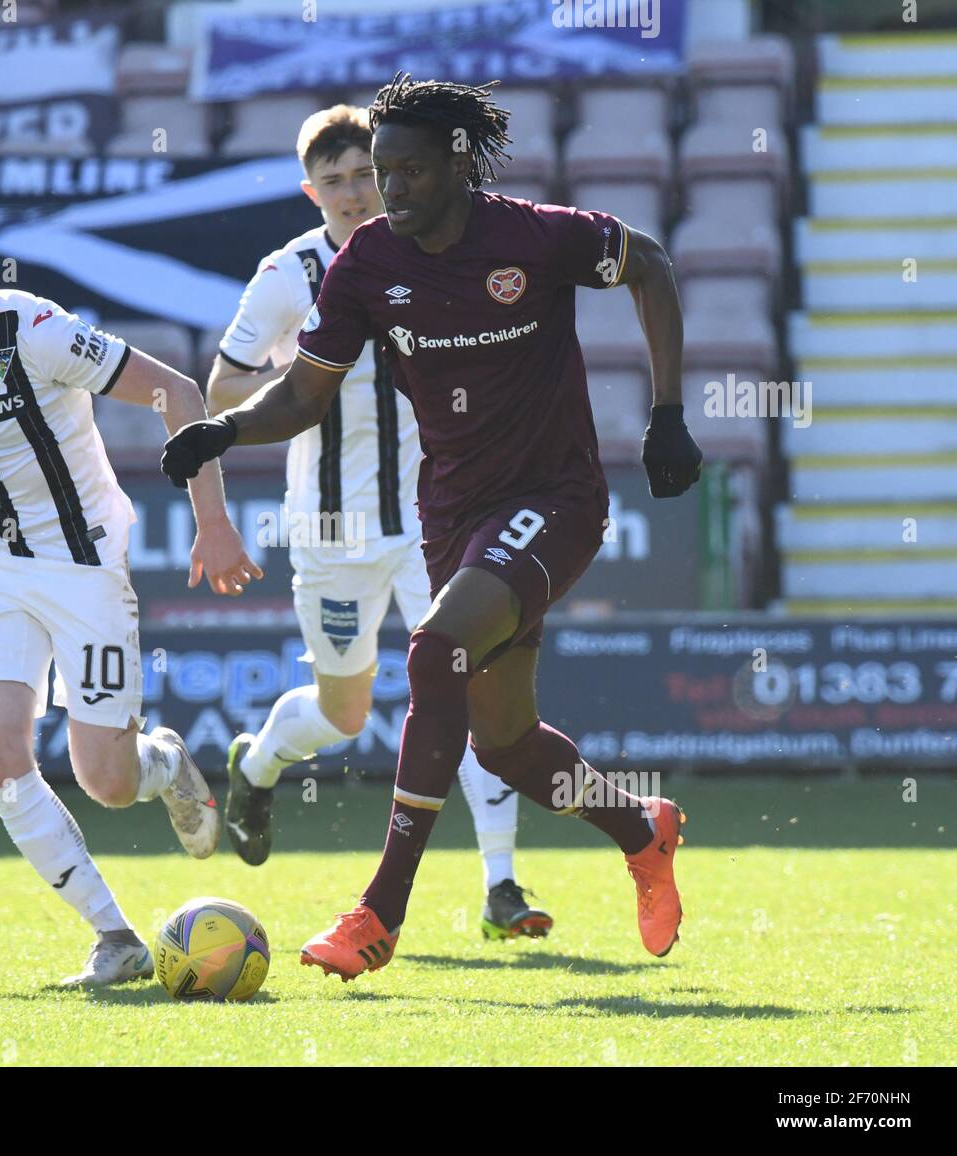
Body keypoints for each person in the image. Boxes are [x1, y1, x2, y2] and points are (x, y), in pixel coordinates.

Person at [163, 75, 702, 981]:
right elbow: (303, 392)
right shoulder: (367, 262)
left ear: (458, 161)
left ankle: (380, 911)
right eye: (383, 171)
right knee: (507, 746)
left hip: (556, 498)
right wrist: (224, 428)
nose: (393, 189)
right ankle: (640, 829)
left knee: (432, 650)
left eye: (409, 170)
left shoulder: (535, 236)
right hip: (451, 511)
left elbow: (649, 262)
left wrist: (670, 411)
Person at [0, 204, 262, 989]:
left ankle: (164, 764)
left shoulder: (35, 329)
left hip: (86, 566)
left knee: (107, 782)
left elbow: (175, 391)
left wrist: (214, 522)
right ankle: (116, 937)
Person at [209, 103, 550, 941]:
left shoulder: (444, 246)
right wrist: (300, 386)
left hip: (443, 517)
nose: (357, 193)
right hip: (333, 527)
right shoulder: (289, 274)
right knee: (345, 714)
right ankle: (255, 766)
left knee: (467, 688)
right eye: (336, 182)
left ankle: (501, 885)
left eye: (367, 174)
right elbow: (221, 388)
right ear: (310, 190)